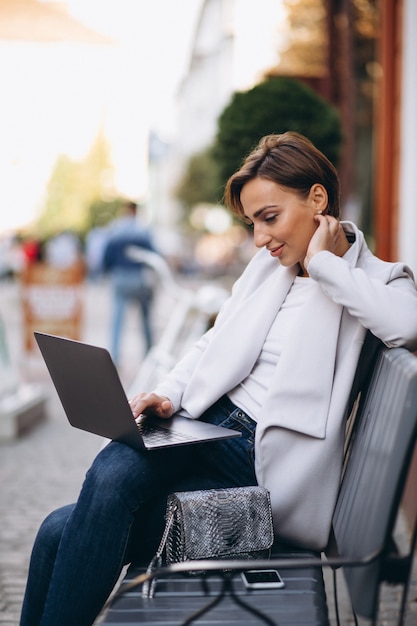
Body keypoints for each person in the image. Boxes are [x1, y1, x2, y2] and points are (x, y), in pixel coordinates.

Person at [20, 132, 417, 626]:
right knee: (78, 505)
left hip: (258, 461)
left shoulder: (375, 280)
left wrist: (323, 264)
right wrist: (168, 393)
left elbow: (407, 326)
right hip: (206, 425)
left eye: (269, 218)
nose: (260, 239)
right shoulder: (266, 269)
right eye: (253, 223)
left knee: (86, 502)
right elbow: (212, 341)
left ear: (317, 198)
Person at [102, 201, 157, 365]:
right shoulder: (143, 230)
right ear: (136, 211)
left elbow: (106, 256)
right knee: (145, 319)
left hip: (120, 278)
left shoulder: (115, 229)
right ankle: (149, 355)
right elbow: (153, 255)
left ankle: (115, 357)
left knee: (118, 320)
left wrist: (107, 272)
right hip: (139, 278)